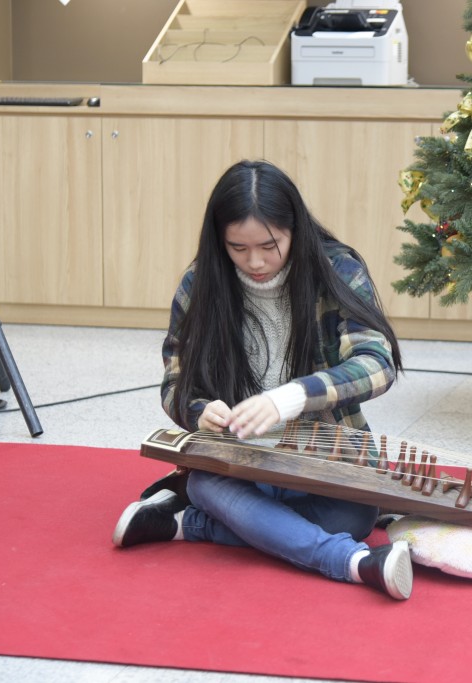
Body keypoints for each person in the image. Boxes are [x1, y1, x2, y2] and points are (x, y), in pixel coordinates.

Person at [111, 159, 413, 600]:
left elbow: (376, 363)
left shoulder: (336, 270)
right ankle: (353, 562)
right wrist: (199, 412)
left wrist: (290, 397)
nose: (256, 261)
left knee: (356, 518)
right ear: (220, 241)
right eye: (238, 248)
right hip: (242, 461)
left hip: (323, 457)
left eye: (270, 245)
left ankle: (187, 523)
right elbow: (175, 384)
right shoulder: (201, 285)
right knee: (205, 482)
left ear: (296, 229)